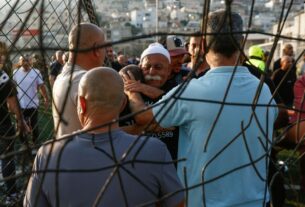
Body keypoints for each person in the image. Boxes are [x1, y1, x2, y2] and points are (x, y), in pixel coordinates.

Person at [123, 10, 278, 206]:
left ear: (203, 45)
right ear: (242, 43)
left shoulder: (193, 91)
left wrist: (131, 91)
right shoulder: (262, 91)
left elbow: (143, 118)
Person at [24, 67, 184, 207]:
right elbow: (178, 203)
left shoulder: (48, 154)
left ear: (82, 103)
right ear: (122, 104)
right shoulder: (154, 150)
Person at [52, 22, 106, 137]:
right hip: (86, 153)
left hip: (65, 150)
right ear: (96, 49)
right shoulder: (85, 80)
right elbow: (103, 135)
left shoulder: (61, 77)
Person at [0, 58, 28, 204]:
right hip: (3, 124)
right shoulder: (2, 76)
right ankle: (11, 194)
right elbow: (12, 103)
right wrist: (20, 120)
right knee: (7, 158)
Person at [13, 55, 49, 144]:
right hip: (20, 105)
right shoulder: (15, 72)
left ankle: (35, 143)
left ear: (31, 61)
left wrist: (46, 98)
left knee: (34, 125)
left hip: (33, 104)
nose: (25, 62)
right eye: (23, 60)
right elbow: (13, 87)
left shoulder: (36, 72)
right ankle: (24, 144)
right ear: (19, 62)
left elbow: (41, 86)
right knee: (20, 126)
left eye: (27, 60)